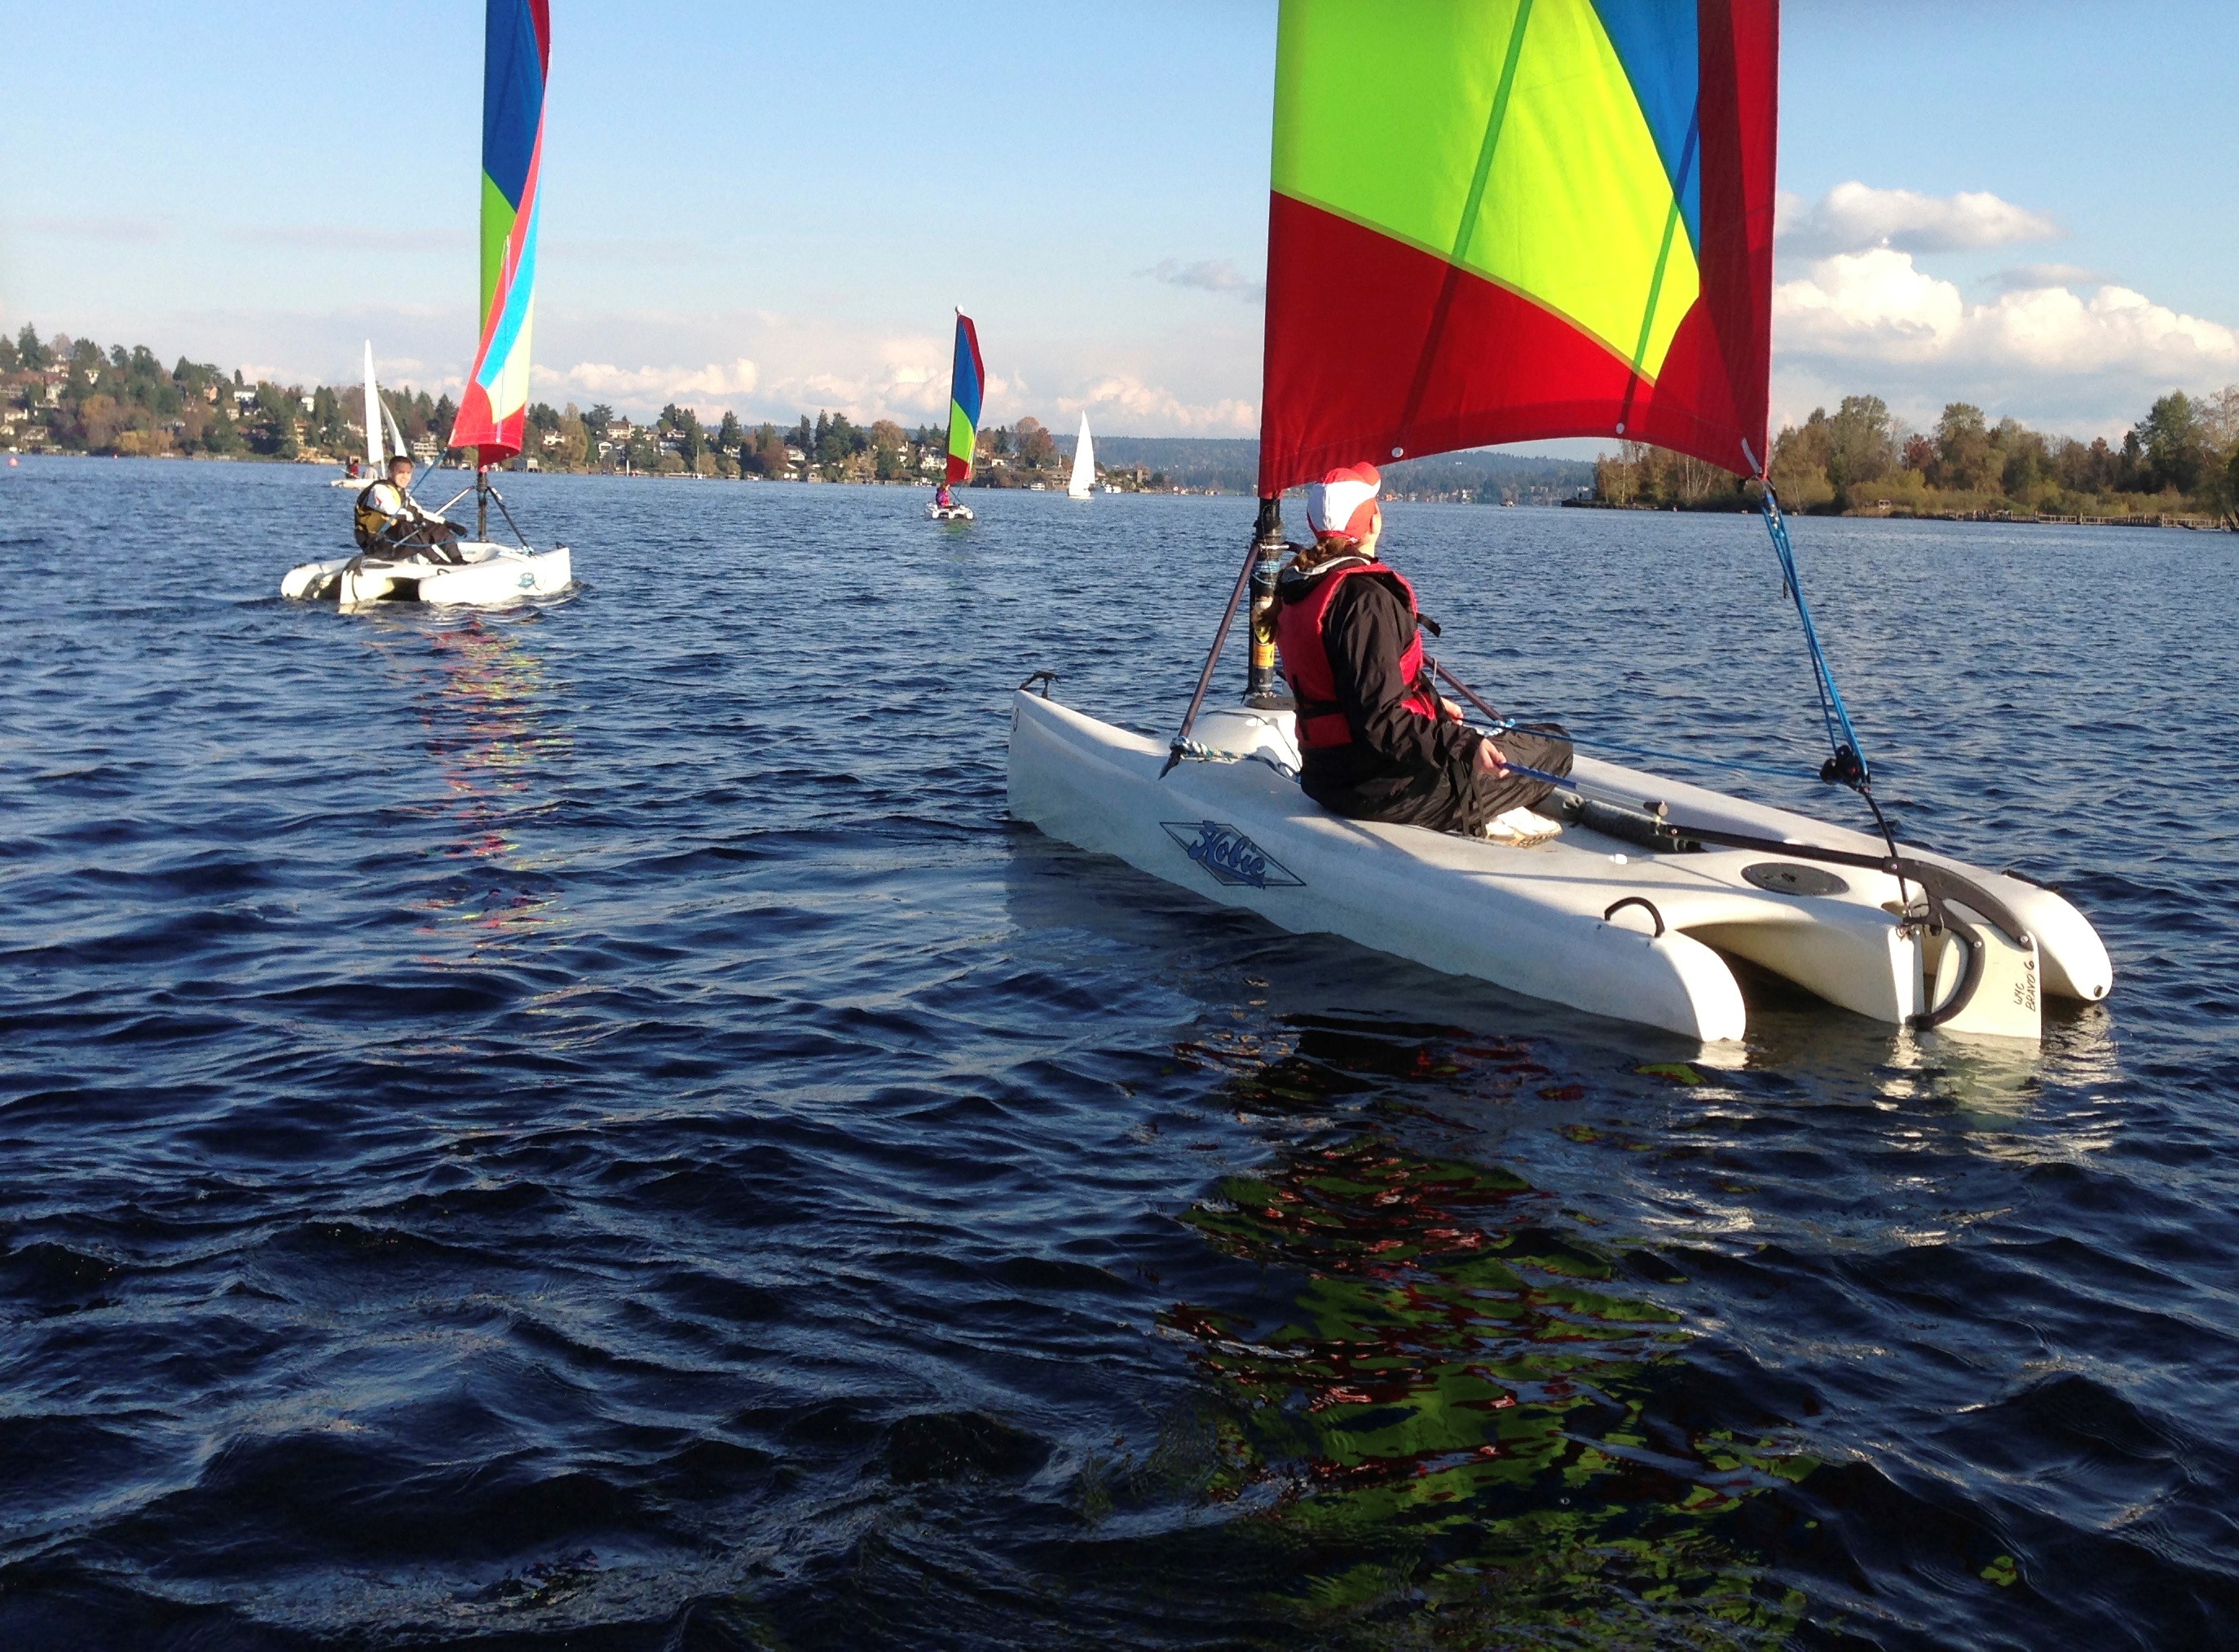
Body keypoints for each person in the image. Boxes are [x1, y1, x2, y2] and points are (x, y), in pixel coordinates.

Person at [1264, 462, 1572, 842]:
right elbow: (1379, 721)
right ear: (1373, 520)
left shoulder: (1302, 586)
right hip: (1373, 788)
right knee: (1555, 745)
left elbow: (1356, 691)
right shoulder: (1365, 602)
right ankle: (1474, 810)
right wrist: (1465, 745)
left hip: (1325, 775)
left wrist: (1433, 706)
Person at [353, 454, 463, 559]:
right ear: (390, 473)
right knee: (406, 526)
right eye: (400, 472)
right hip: (375, 544)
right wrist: (417, 519)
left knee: (436, 527)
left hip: (394, 543)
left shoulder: (402, 495)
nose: (405, 477)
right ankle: (439, 562)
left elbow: (420, 513)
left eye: (408, 473)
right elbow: (392, 511)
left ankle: (458, 561)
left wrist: (447, 523)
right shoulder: (378, 490)